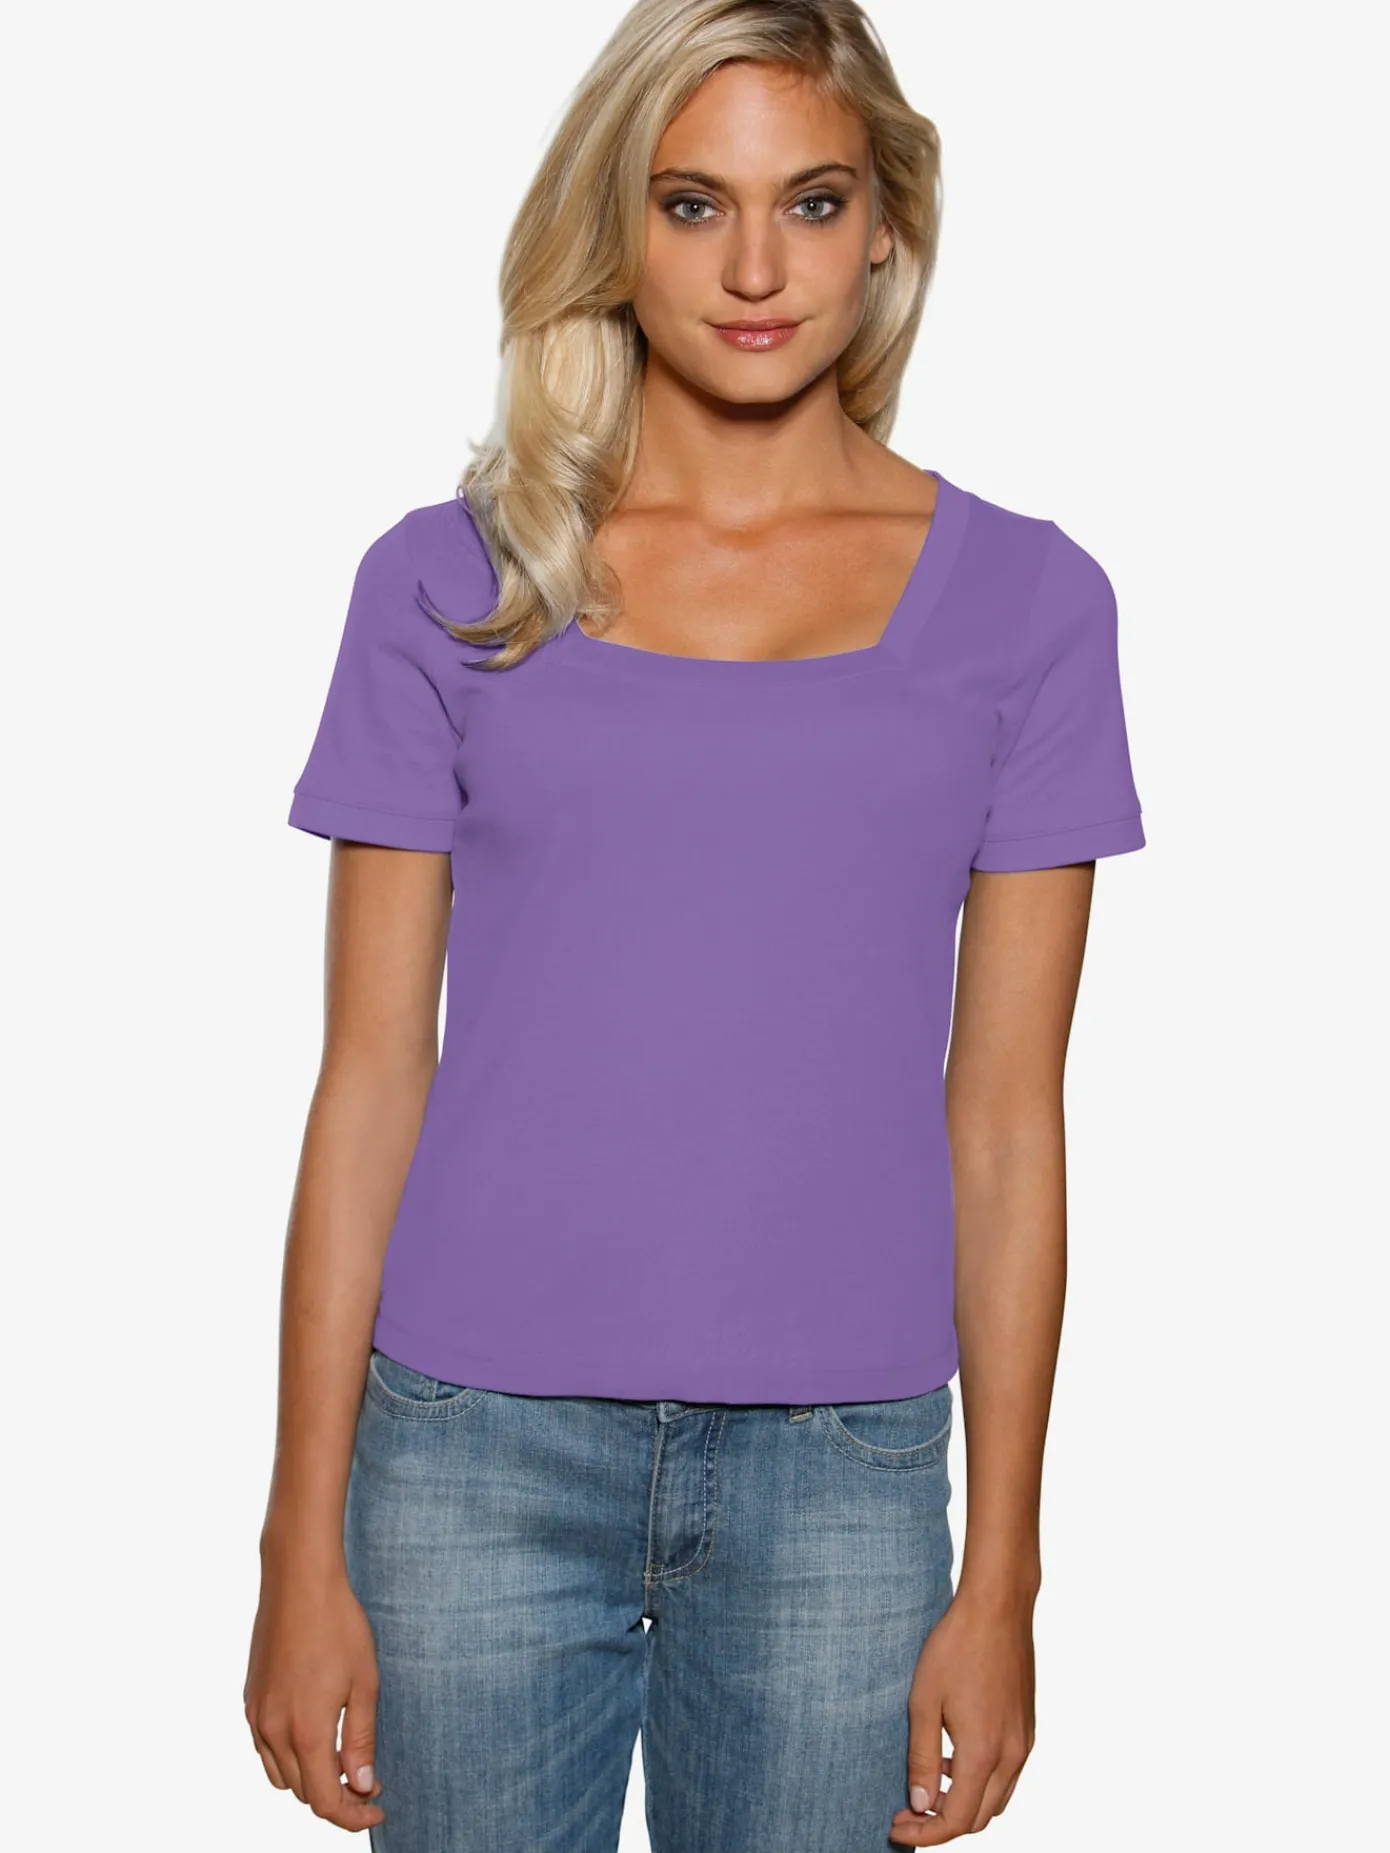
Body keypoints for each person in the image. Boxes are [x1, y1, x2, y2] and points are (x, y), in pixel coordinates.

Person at [243, 1, 1146, 1847]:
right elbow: (367, 1082)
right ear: (616, 226)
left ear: (884, 229)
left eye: (811, 203)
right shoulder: (450, 584)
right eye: (690, 203)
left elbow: (1006, 1124)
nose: (754, 269)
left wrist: (1004, 1579)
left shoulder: (1030, 607)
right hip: (469, 1456)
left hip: (843, 1478)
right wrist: (295, 1543)